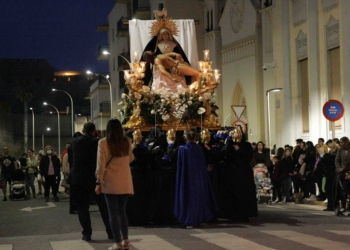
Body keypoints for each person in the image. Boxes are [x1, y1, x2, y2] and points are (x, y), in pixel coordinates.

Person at [95, 119, 134, 250]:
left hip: (110, 181)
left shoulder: (103, 142)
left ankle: (117, 242)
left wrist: (98, 181)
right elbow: (130, 158)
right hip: (125, 181)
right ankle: (126, 240)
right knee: (122, 212)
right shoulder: (127, 141)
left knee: (113, 213)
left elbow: (101, 164)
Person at [70, 123, 112, 241]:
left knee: (82, 208)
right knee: (103, 206)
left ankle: (87, 233)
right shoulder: (98, 142)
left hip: (78, 178)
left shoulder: (75, 141)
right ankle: (110, 231)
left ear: (83, 130)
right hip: (94, 178)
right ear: (94, 131)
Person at [173, 129, 218, 228]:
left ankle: (186, 219)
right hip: (197, 178)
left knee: (186, 198)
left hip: (186, 178)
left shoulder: (182, 149)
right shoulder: (198, 148)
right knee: (196, 199)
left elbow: (180, 165)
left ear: (185, 138)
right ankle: (197, 219)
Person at [220, 126, 257, 221]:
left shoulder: (246, 145)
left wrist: (239, 150)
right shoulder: (229, 145)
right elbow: (224, 155)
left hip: (243, 174)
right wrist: (228, 144)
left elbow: (248, 158)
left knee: (244, 195)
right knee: (231, 194)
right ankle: (231, 214)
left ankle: (244, 214)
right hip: (232, 173)